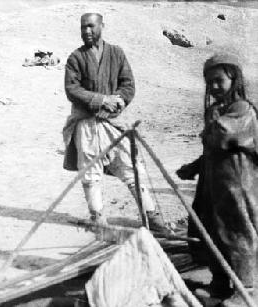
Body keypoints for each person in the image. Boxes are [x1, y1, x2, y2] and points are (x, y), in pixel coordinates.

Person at [62, 13, 167, 231]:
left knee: (131, 166)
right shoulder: (75, 58)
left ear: (102, 26)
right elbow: (72, 90)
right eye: (83, 28)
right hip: (87, 124)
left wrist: (117, 101)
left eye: (91, 26)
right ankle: (98, 218)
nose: (87, 31)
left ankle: (151, 216)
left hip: (114, 123)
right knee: (90, 170)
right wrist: (101, 100)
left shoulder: (117, 54)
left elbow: (128, 84)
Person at [176, 53, 258, 306]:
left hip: (236, 184)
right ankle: (220, 283)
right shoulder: (215, 111)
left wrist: (212, 124)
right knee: (211, 230)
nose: (212, 87)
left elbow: (222, 136)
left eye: (218, 80)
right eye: (208, 82)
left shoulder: (243, 110)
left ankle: (246, 290)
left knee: (237, 233)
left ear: (234, 79)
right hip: (212, 185)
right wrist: (194, 167)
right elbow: (210, 150)